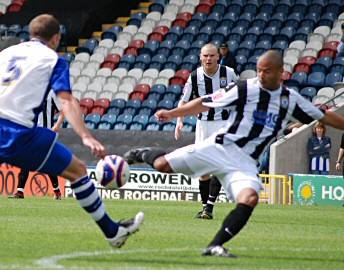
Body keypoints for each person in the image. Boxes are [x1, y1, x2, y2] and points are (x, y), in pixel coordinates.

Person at [124, 50, 344, 257]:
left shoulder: (291, 99)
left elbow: (323, 116)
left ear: (280, 72)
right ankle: (141, 153)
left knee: (249, 198)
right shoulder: (245, 88)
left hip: (245, 163)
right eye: (258, 69)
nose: (261, 74)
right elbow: (205, 102)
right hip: (219, 148)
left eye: (266, 70)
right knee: (162, 165)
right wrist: (173, 113)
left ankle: (215, 245)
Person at [0, 14, 143, 248]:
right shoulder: (52, 59)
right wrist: (86, 136)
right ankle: (112, 232)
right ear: (56, 37)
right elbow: (66, 101)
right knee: (78, 171)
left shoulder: (4, 54)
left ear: (31, 33)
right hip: (17, 132)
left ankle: (114, 231)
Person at [175, 43, 238, 219]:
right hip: (203, 125)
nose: (208, 59)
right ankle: (205, 207)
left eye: (211, 55)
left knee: (217, 165)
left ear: (218, 56)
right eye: (205, 56)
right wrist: (179, 121)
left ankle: (208, 208)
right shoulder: (194, 76)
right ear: (200, 57)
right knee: (203, 172)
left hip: (223, 123)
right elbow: (184, 100)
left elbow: (240, 95)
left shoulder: (229, 73)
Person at [9, 91, 65, 199]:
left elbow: (63, 111)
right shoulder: (32, 91)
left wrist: (57, 125)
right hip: (32, 133)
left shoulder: (52, 93)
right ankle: (20, 191)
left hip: (45, 133)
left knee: (47, 163)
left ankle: (57, 191)